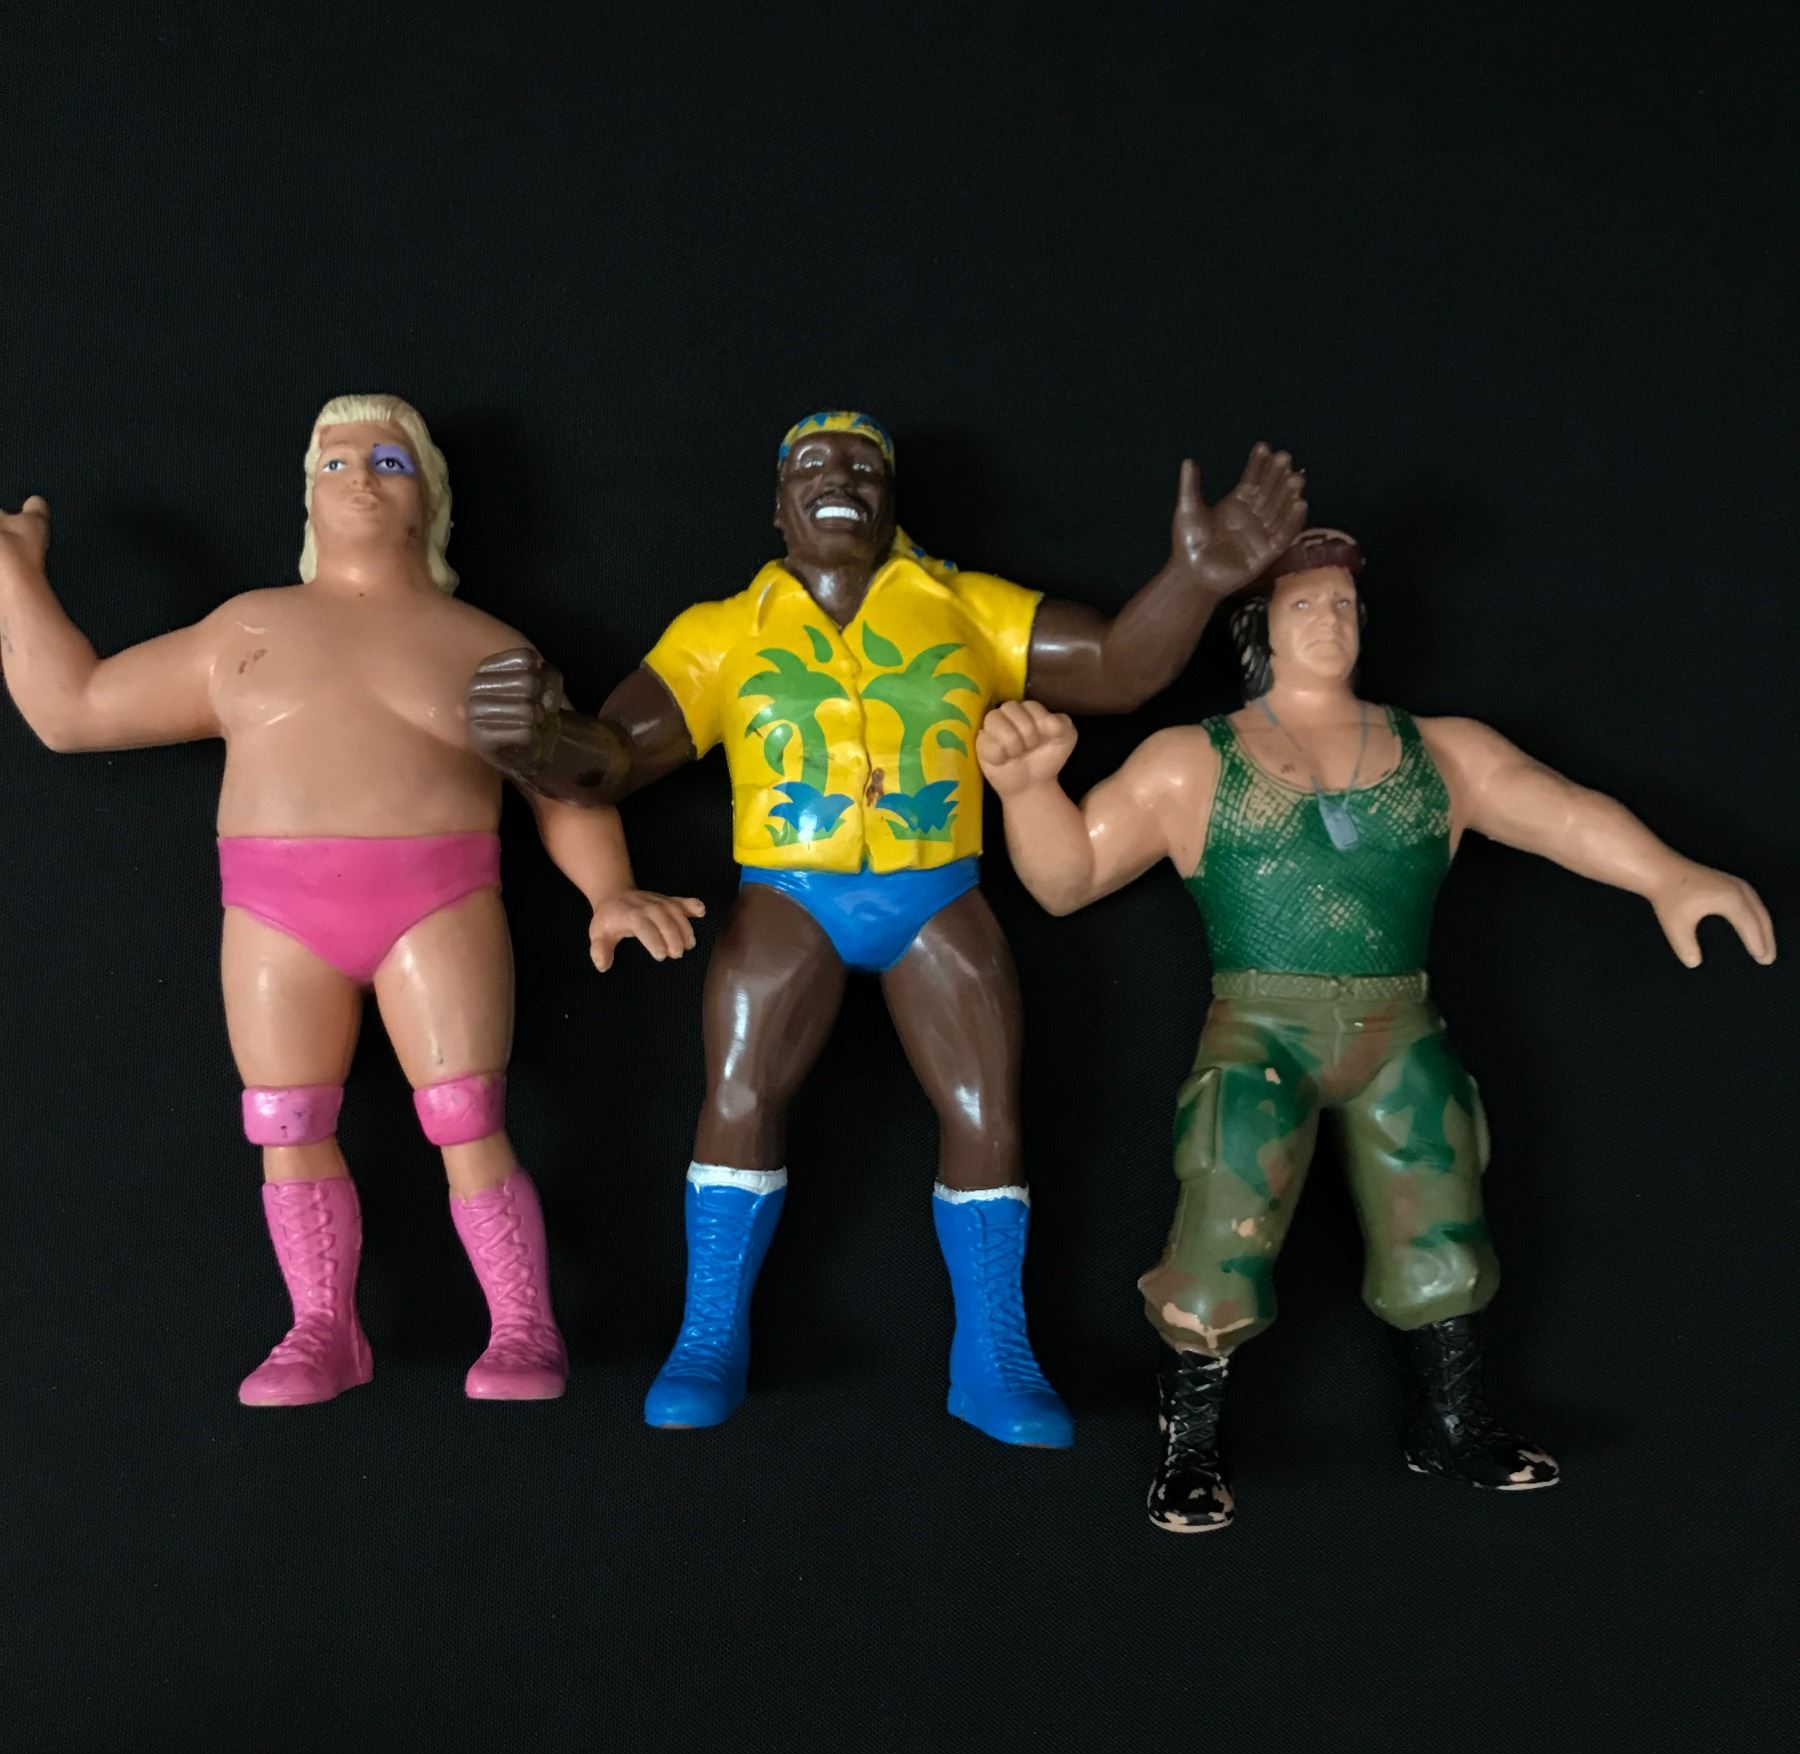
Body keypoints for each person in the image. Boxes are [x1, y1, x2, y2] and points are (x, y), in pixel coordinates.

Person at [466, 411, 1307, 1444]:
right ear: (778, 501)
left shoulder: (966, 607)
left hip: (935, 894)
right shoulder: (720, 632)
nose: (841, 479)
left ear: (894, 498)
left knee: (988, 1104)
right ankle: (708, 1334)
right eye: (814, 464)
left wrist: (1195, 580)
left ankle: (994, 1353)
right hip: (789, 895)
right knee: (738, 1091)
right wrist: (537, 740)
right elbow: (615, 758)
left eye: (865, 466)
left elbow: (1119, 667)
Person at [976, 526, 1775, 1525]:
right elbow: (1070, 878)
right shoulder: (1193, 761)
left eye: (1345, 604)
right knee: (1224, 1212)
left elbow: (1561, 812)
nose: (1330, 620)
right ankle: (1190, 1446)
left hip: (1401, 1023)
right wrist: (1026, 791)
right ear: (1261, 625)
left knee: (1439, 1210)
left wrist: (1668, 875)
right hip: (1260, 1027)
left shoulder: (1442, 751)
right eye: (1305, 604)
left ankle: (1450, 1424)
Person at [0, 394, 701, 1406]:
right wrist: (15, 576)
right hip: (275, 912)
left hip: (439, 899)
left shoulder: (485, 646)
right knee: (286, 1121)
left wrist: (609, 889)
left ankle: (524, 1323)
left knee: (467, 1115)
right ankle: (322, 1328)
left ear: (432, 499)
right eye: (335, 463)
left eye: (388, 461)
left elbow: (560, 784)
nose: (361, 478)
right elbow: (74, 711)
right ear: (307, 497)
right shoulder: (246, 629)